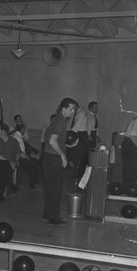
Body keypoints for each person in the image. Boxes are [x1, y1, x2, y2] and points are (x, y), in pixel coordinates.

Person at [42, 97, 77, 226]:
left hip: (48, 157)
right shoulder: (60, 121)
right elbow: (52, 140)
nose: (72, 112)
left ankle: (48, 215)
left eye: (74, 109)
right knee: (56, 189)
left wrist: (68, 147)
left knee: (51, 188)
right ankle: (54, 218)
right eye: (71, 109)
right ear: (63, 108)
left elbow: (55, 141)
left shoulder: (57, 119)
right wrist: (63, 155)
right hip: (53, 158)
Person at [0, 122, 21, 202]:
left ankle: (1, 193)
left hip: (6, 166)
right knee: (4, 163)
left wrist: (15, 163)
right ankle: (10, 182)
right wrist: (9, 161)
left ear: (3, 131)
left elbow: (18, 154)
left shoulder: (13, 141)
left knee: (3, 168)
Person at [12, 124, 40, 189]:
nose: (25, 130)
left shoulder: (17, 135)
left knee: (34, 162)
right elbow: (21, 152)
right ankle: (32, 183)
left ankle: (34, 180)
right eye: (24, 129)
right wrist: (28, 158)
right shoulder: (17, 137)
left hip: (20, 155)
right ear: (22, 129)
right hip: (18, 157)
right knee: (32, 164)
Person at [68, 104, 89, 177]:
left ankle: (78, 174)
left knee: (79, 155)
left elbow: (78, 125)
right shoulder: (77, 113)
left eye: (72, 108)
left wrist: (71, 133)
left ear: (76, 106)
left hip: (80, 134)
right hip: (77, 133)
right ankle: (77, 172)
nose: (72, 110)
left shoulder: (82, 113)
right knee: (76, 154)